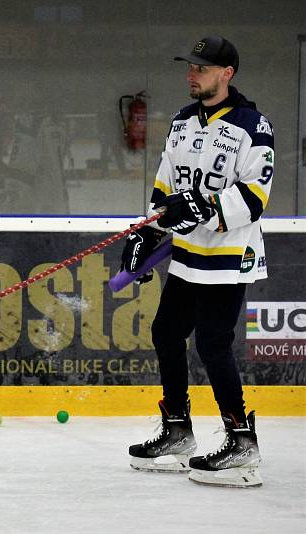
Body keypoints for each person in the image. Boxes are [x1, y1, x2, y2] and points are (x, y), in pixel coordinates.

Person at [122, 36, 273, 488]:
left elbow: (255, 195)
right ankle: (177, 431)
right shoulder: (183, 122)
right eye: (189, 67)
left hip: (229, 255)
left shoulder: (253, 126)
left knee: (212, 343)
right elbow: (166, 187)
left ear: (227, 74)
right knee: (165, 332)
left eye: (202, 68)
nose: (192, 74)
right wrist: (148, 232)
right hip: (188, 255)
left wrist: (205, 208)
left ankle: (242, 441)